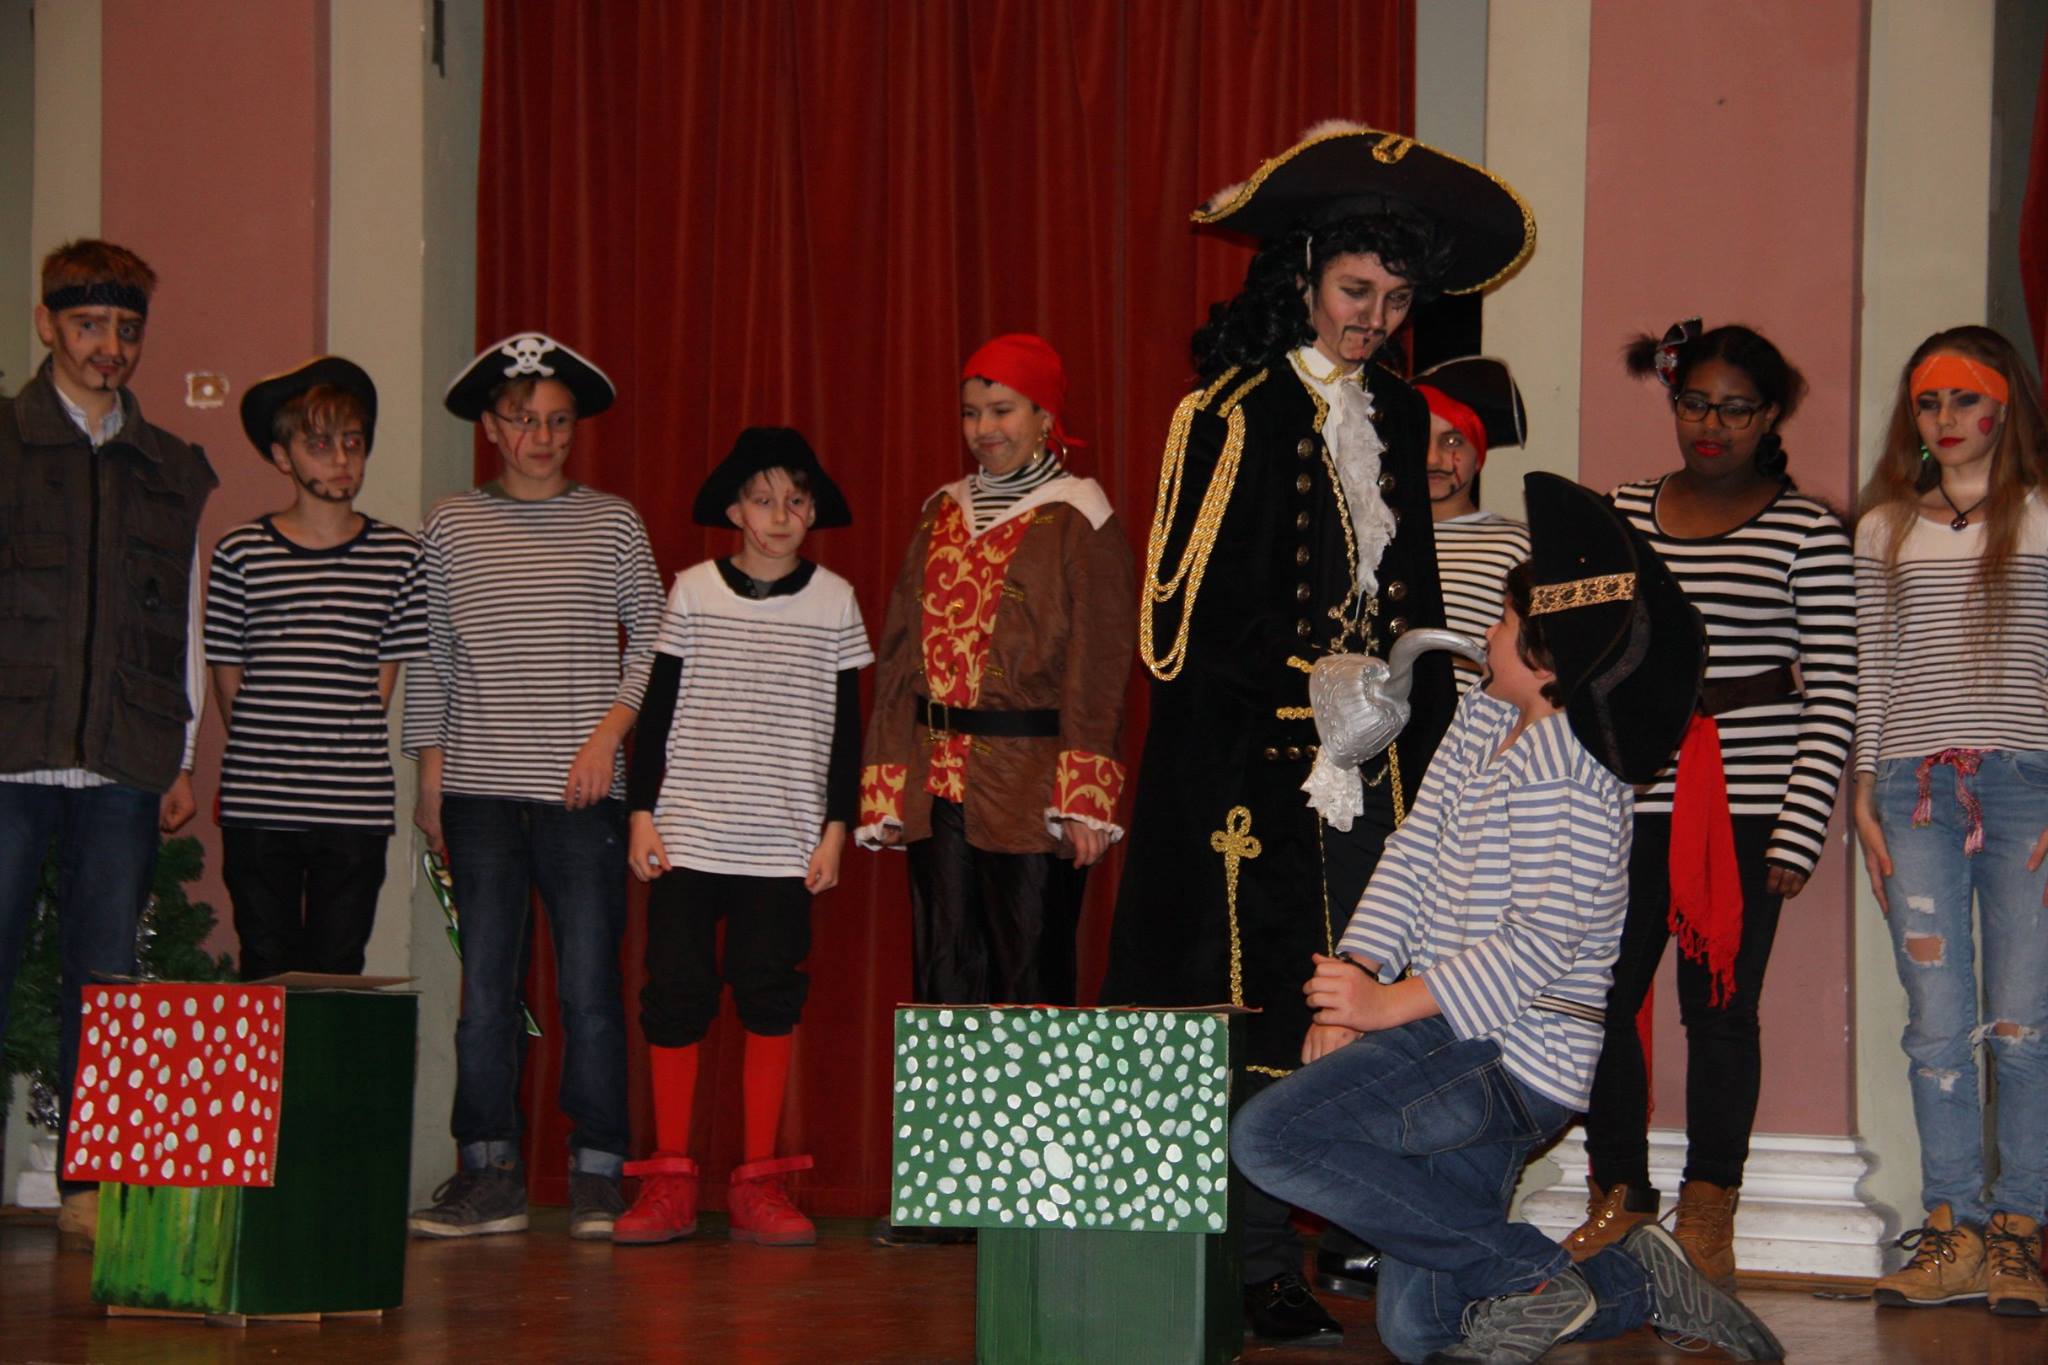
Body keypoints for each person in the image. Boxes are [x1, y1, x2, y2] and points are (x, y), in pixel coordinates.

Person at [1101, 121, 1533, 1344]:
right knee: (1247, 1013)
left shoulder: (1397, 411)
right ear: (1301, 276)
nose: (1373, 320)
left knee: (1354, 1005)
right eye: (1355, 292)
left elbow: (1416, 599)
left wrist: (1423, 744)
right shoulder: (1227, 410)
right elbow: (1171, 625)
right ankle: (1247, 1270)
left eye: (1394, 301)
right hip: (1248, 774)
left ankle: (1355, 1244)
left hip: (1374, 770)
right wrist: (1311, 683)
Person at [1233, 472, 1784, 1365]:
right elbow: (1414, 847)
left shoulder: (1572, 770)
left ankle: (1537, 1274)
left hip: (1510, 1053)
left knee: (1274, 1134)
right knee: (1422, 1330)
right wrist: (1359, 975)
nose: (1485, 633)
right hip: (1453, 1033)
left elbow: (1540, 939)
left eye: (1501, 619)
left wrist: (1387, 1004)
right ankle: (1640, 1281)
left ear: (1547, 657)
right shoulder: (1485, 717)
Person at [1565, 321, 1855, 1286]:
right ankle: (1618, 1193)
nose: (1712, 425)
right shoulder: (1623, 511)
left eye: (1736, 409)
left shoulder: (1807, 531)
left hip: (1747, 806)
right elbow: (1588, 659)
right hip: (1624, 800)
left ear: (1770, 416)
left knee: (1721, 1012)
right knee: (1601, 1000)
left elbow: (1834, 692)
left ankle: (1709, 1208)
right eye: (1695, 403)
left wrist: (1800, 829)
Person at [403, 333, 663, 1242]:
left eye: (557, 421)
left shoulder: (614, 523)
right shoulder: (449, 524)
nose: (541, 438)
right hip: (478, 796)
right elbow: (432, 657)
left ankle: (598, 1171)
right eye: (523, 420)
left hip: (581, 798)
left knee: (590, 986)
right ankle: (489, 1172)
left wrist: (607, 740)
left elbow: (654, 644)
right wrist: (430, 778)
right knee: (486, 992)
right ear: (491, 427)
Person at [0, 240, 216, 1248]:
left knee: (106, 975)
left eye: (127, 329)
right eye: (89, 325)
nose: (110, 346)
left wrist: (182, 754)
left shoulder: (168, 467)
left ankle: (91, 1182)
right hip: (10, 751)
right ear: (47, 323)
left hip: (125, 757)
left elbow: (185, 618)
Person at [612, 428, 870, 1249]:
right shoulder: (691, 591)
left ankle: (760, 1181)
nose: (780, 514)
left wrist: (836, 828)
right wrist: (641, 812)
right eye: (763, 499)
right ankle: (669, 1181)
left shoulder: (835, 600)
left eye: (795, 499)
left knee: (769, 995)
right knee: (675, 995)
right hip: (689, 834)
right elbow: (657, 713)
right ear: (734, 511)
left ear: (813, 512)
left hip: (783, 842)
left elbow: (847, 731)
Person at [1852, 325, 2048, 1316]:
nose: (1945, 418)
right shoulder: (1885, 527)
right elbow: (1871, 670)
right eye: (1928, 401)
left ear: (2004, 405)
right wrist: (1862, 795)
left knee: (2020, 1025)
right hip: (1912, 793)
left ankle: (2019, 1231)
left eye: (1965, 398)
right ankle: (1951, 1228)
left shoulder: (2043, 518)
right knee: (1936, 1026)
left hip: (2026, 788)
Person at [857, 333, 1136, 1009]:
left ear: (1045, 416)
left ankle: (1037, 1087)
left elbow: (1099, 669)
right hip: (936, 787)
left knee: (1029, 980)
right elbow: (899, 659)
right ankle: (947, 1087)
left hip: (1029, 788)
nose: (983, 428)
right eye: (971, 412)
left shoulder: (1080, 518)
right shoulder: (940, 512)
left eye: (1002, 410)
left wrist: (1083, 797)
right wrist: (888, 787)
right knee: (944, 981)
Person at [206, 357, 427, 978]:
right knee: (265, 963)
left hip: (352, 803)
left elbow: (382, 681)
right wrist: (269, 753)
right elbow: (228, 677)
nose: (341, 460)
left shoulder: (398, 555)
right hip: (259, 799)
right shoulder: (241, 552)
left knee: (337, 967)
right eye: (320, 444)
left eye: (352, 443)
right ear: (284, 457)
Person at [1416, 355, 1533, 694]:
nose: (1432, 458)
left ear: (1477, 455)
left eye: (1453, 441)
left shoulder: (1516, 545)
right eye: (1421, 439)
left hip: (1475, 720)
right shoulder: (1377, 540)